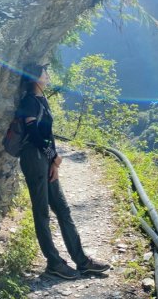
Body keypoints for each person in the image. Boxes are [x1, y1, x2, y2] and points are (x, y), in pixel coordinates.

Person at [18, 62, 110, 280]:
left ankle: (82, 261)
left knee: (62, 208)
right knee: (41, 212)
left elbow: (48, 135)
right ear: (35, 77)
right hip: (34, 159)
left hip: (45, 160)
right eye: (44, 71)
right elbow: (34, 134)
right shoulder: (29, 101)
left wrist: (54, 164)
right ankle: (54, 263)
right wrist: (53, 158)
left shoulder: (41, 99)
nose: (48, 74)